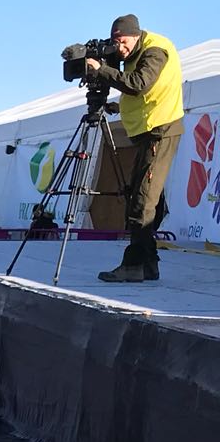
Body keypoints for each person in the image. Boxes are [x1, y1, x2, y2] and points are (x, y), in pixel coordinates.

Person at [88, 15, 184, 283]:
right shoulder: (132, 50)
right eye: (116, 42)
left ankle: (133, 266)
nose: (120, 48)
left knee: (141, 201)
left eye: (123, 41)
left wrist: (101, 70)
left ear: (136, 35)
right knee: (143, 197)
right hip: (146, 131)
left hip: (160, 129)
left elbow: (138, 84)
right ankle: (149, 264)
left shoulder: (155, 50)